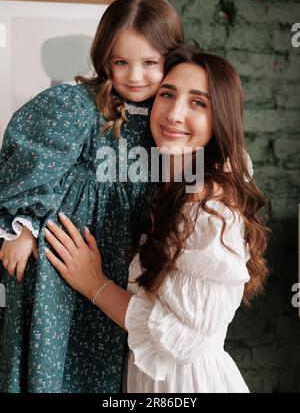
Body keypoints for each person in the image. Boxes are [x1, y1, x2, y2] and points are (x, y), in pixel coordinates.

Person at [43, 44, 270, 393]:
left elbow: (182, 338)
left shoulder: (209, 210)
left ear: (219, 118)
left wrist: (94, 283)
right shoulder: (179, 182)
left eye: (198, 102)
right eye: (167, 94)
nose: (174, 114)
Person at [0, 0, 184, 393]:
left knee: (101, 369)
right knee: (51, 364)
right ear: (105, 60)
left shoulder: (168, 120)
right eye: (122, 62)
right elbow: (40, 164)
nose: (135, 76)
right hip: (60, 262)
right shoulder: (79, 107)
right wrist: (25, 227)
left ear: (170, 60)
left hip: (120, 271)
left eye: (150, 63)